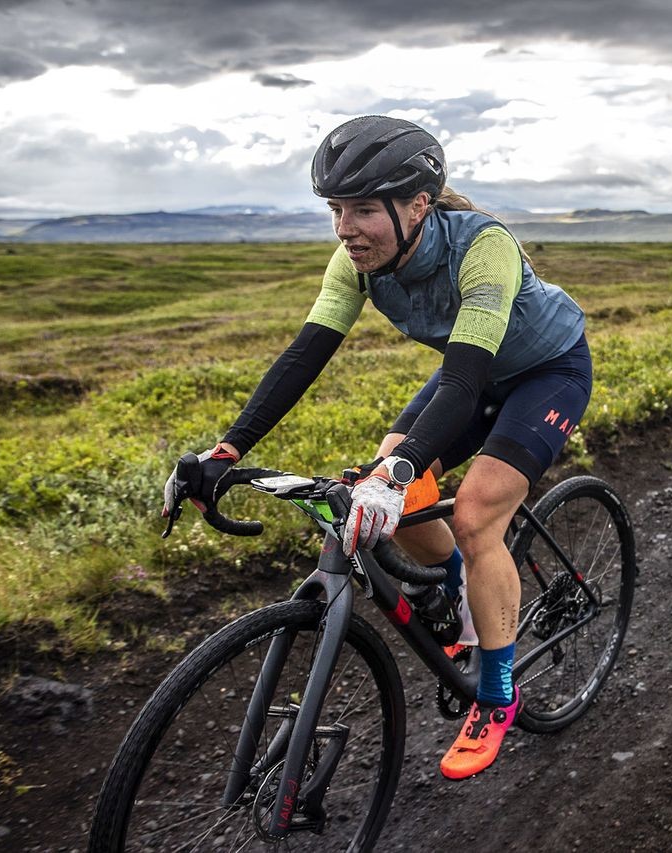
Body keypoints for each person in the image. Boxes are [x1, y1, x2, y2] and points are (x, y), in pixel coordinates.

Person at [161, 115, 592, 781]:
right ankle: (460, 590)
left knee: (474, 513)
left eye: (362, 209)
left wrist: (396, 468)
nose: (344, 228)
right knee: (397, 479)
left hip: (544, 372)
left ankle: (498, 694)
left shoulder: (485, 249)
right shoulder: (355, 264)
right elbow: (306, 354)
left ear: (418, 205)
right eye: (336, 209)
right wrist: (227, 449)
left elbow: (463, 379)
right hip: (468, 375)